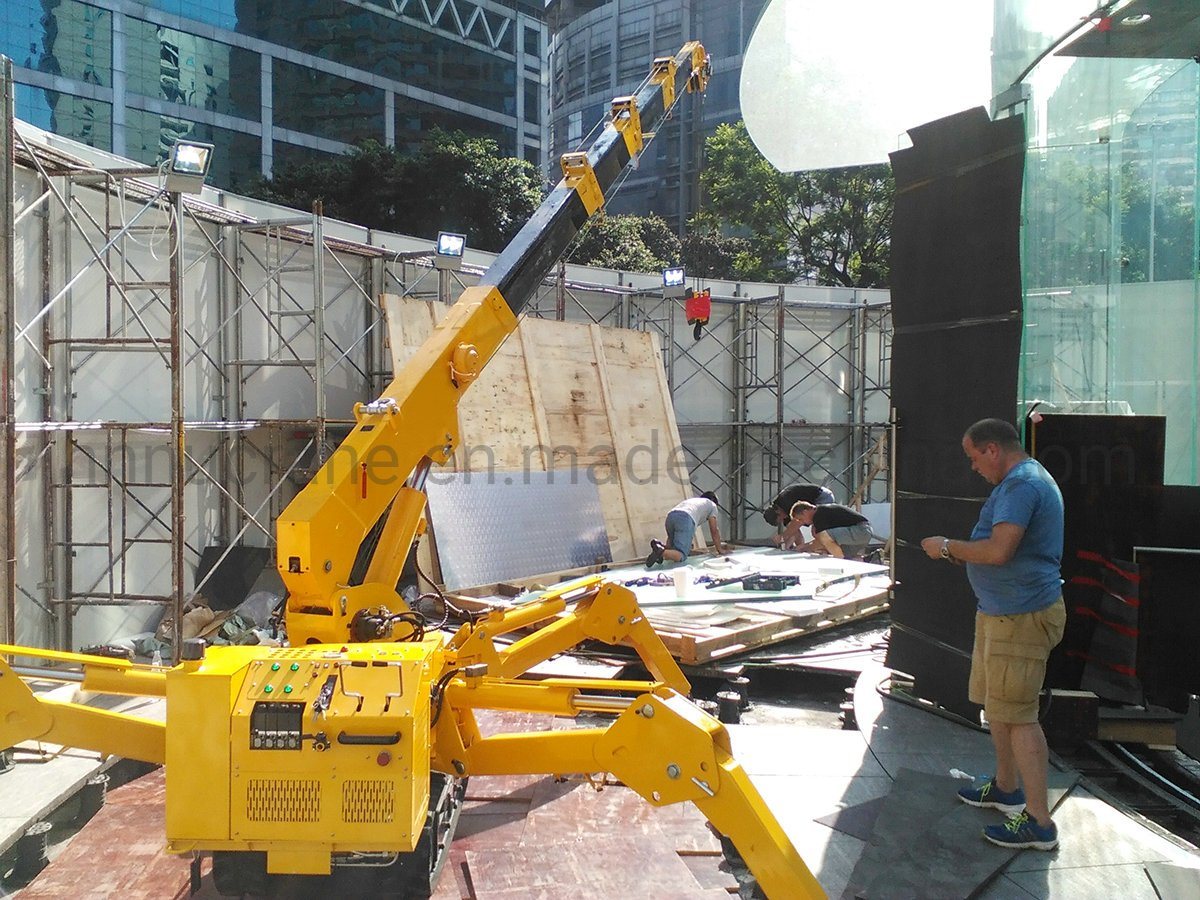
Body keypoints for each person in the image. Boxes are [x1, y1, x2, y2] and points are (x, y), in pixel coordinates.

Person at [920, 418, 1065, 852]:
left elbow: (999, 552)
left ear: (992, 450)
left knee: (1019, 716)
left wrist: (947, 546)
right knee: (1001, 709)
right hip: (1002, 615)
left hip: (1019, 618)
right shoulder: (1020, 482)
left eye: (973, 458)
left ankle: (1040, 823)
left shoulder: (1022, 486)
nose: (973, 468)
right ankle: (1006, 789)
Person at [646, 491, 726, 567]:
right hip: (685, 518)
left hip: (671, 516)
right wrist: (720, 550)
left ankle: (660, 547)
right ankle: (660, 552)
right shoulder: (712, 505)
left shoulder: (693, 501)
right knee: (681, 554)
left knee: (672, 547)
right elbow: (714, 530)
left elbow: (671, 538)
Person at [762, 483, 836, 549]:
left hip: (821, 496)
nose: (784, 519)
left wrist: (782, 537)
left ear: (777, 511)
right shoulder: (783, 512)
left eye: (781, 518)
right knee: (814, 529)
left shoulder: (785, 501)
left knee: (817, 529)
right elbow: (796, 533)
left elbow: (796, 524)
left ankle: (827, 548)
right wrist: (789, 548)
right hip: (812, 504)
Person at [788, 501, 872, 558]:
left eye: (801, 519)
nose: (803, 523)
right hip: (861, 533)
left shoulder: (819, 514)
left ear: (805, 512)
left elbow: (821, 541)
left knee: (823, 538)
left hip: (860, 530)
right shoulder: (821, 513)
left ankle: (840, 565)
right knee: (829, 548)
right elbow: (820, 543)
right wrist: (804, 547)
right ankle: (869, 559)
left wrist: (802, 548)